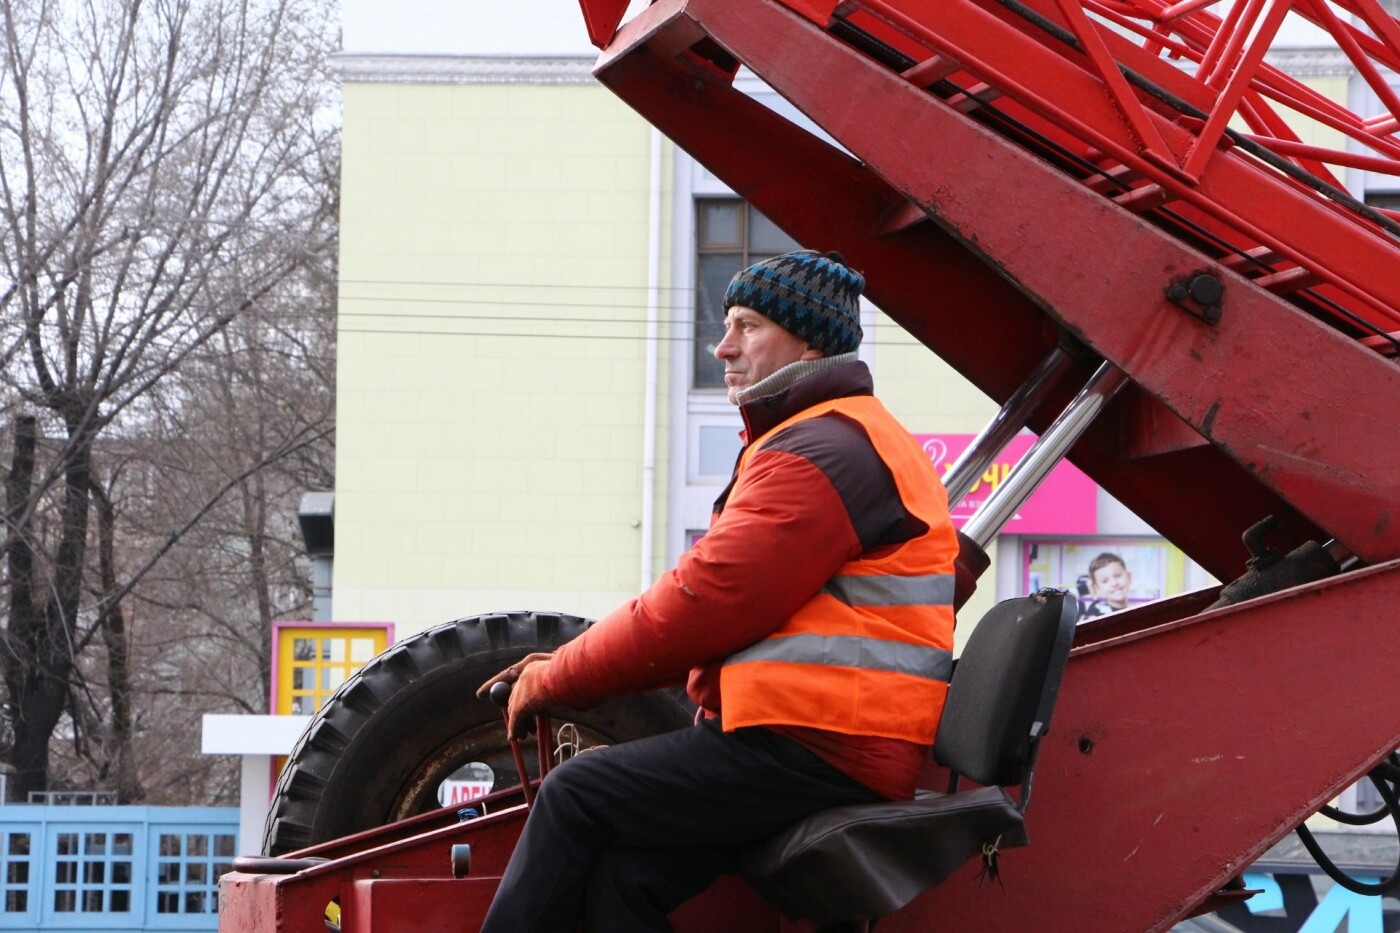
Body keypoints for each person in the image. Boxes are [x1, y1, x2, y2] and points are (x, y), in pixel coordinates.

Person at [476, 250, 959, 932]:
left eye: (747, 325)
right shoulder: (833, 438)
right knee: (625, 880)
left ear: (809, 341)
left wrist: (559, 676)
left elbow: (700, 604)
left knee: (574, 794)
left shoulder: (824, 451)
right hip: (818, 738)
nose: (722, 346)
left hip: (818, 746)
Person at [1079, 552, 1132, 619]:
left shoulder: (1138, 612)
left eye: (1118, 575)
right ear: (1096, 588)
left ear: (1129, 577)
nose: (1114, 583)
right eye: (1105, 581)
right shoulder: (1096, 616)